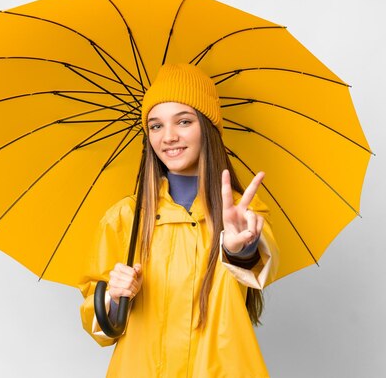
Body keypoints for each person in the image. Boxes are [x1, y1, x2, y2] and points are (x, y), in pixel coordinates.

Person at [79, 63, 279, 377]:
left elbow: (258, 267)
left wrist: (240, 249)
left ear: (208, 128)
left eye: (184, 121)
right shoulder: (125, 218)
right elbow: (102, 327)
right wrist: (114, 297)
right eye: (156, 126)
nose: (169, 137)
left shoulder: (241, 213)